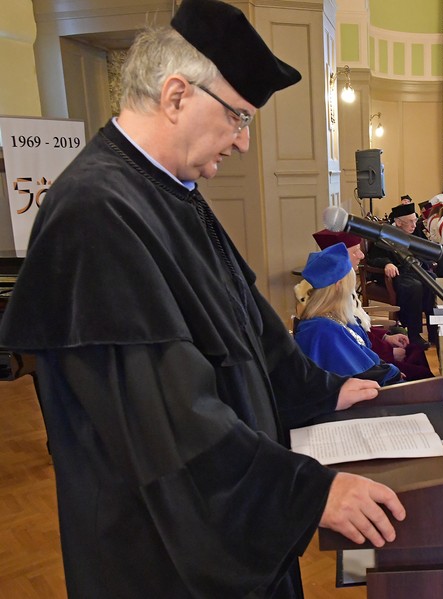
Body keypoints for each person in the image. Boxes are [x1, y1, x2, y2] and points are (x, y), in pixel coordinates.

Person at [0, 1, 406, 596]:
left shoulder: (169, 193)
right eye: (239, 117)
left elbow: (249, 330)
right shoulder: (94, 213)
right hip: (161, 553)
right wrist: (307, 490)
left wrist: (322, 389)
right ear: (175, 96)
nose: (242, 142)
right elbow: (164, 419)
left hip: (221, 503)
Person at [311, 228, 432, 380]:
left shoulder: (335, 306)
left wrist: (385, 338)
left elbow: (360, 334)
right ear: (338, 284)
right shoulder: (326, 327)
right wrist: (390, 365)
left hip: (374, 363)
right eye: (355, 251)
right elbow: (354, 364)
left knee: (417, 354)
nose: (362, 255)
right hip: (370, 379)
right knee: (422, 372)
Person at [294, 244, 402, 386]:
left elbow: (365, 356)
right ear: (339, 285)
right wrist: (393, 372)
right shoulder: (321, 329)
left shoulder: (339, 318)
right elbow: (357, 374)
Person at [365, 202, 435, 348]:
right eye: (410, 222)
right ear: (398, 222)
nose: (414, 225)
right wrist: (387, 264)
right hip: (396, 274)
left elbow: (423, 252)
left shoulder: (414, 231)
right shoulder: (387, 234)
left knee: (431, 281)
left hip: (411, 271)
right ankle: (414, 335)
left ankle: (433, 331)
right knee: (414, 287)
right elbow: (374, 258)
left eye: (415, 220)